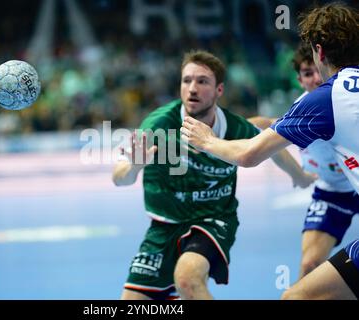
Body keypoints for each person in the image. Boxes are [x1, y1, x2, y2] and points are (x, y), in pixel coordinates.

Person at [180, 3, 359, 299]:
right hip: (334, 190)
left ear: (320, 52)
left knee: (295, 297)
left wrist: (206, 139)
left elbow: (249, 154)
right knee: (313, 267)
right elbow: (269, 126)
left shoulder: (325, 99)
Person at [112, 50, 315, 300]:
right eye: (187, 81)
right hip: (163, 225)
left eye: (202, 81)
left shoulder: (236, 127)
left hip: (213, 219)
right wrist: (135, 166)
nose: (192, 88)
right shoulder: (159, 125)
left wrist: (301, 176)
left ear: (219, 90)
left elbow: (272, 149)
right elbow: (119, 178)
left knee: (187, 279)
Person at [249, 42, 358, 280]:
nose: (316, 78)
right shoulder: (301, 110)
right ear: (299, 80)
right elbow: (262, 125)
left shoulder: (345, 96)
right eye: (308, 74)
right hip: (333, 192)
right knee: (309, 265)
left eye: (317, 70)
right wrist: (298, 175)